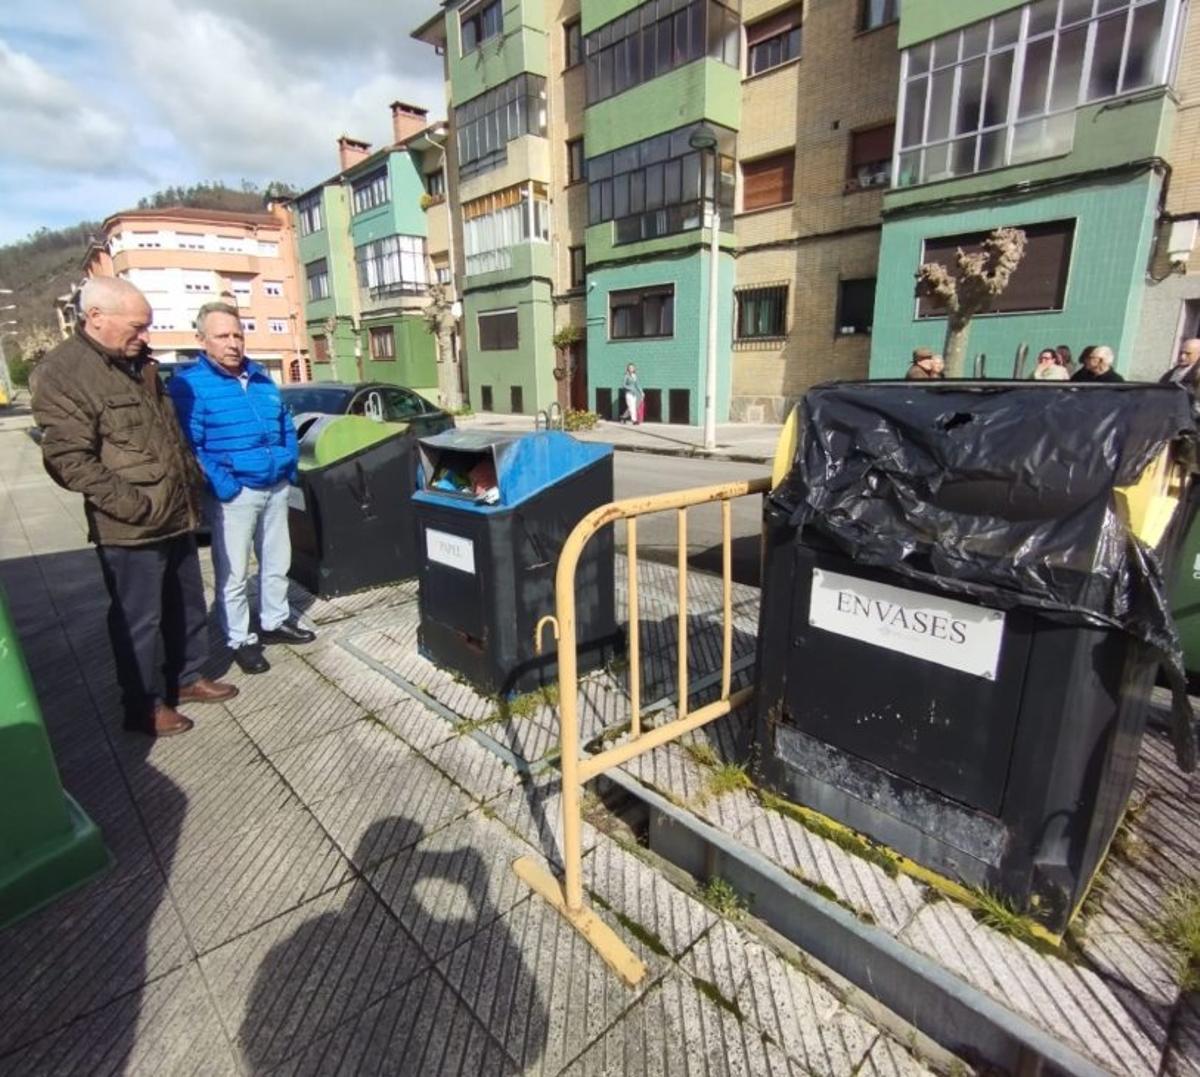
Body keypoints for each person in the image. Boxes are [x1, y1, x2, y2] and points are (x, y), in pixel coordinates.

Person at [31, 278, 237, 737]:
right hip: (130, 526)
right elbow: (68, 460)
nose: (146, 336)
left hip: (175, 514)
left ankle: (186, 677)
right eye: (137, 326)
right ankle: (142, 705)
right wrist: (136, 506)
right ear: (96, 317)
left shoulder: (138, 364)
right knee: (138, 621)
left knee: (186, 604)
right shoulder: (63, 372)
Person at [168, 302, 313, 676]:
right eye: (222, 336)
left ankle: (274, 620)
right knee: (232, 572)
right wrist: (225, 485)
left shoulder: (262, 378)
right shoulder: (190, 385)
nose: (233, 343)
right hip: (235, 494)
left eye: (237, 334)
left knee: (277, 560)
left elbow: (285, 426)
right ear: (202, 340)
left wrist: (287, 465)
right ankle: (240, 638)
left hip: (276, 484)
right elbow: (190, 444)